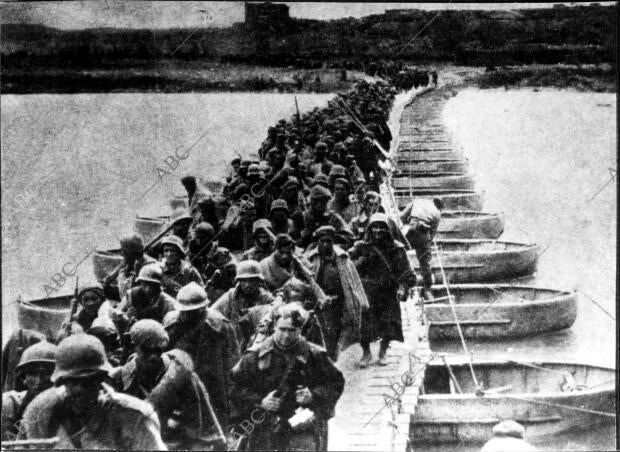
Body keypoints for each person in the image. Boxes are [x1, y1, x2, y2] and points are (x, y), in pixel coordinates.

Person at [230, 304, 345, 451]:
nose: (286, 335)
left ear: (300, 330)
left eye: (291, 330)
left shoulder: (313, 354)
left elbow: (336, 382)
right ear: (274, 328)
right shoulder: (255, 355)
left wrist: (313, 394)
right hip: (265, 426)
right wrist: (260, 401)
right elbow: (234, 387)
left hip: (302, 424)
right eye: (282, 329)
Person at [23, 334, 166, 450]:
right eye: (72, 381)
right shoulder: (42, 412)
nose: (79, 389)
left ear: (101, 378)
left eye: (87, 381)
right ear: (61, 381)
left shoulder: (134, 417)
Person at [110, 319, 220, 449]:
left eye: (158, 351)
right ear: (135, 348)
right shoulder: (127, 374)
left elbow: (195, 420)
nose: (153, 356)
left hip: (179, 439)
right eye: (146, 350)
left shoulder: (179, 374)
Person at [163, 282, 240, 429]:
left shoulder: (220, 326)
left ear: (203, 308)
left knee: (216, 418)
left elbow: (233, 360)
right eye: (183, 311)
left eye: (192, 311)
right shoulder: (171, 322)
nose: (187, 315)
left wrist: (232, 391)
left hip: (213, 381)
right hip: (180, 378)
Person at [349, 213, 416, 367]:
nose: (378, 231)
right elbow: (350, 267)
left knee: (388, 324)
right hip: (368, 291)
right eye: (375, 227)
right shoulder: (362, 247)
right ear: (370, 229)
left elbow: (406, 272)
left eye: (381, 227)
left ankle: (382, 353)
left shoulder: (397, 248)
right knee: (365, 324)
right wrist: (361, 259)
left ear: (388, 230)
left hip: (388, 291)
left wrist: (403, 286)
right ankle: (366, 353)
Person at [303, 226, 368, 361]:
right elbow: (306, 281)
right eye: (323, 241)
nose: (326, 244)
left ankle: (332, 359)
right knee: (319, 333)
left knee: (335, 332)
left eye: (329, 241)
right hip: (317, 302)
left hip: (338, 303)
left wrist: (360, 301)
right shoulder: (310, 258)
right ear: (318, 242)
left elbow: (353, 281)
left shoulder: (341, 258)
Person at [211, 260, 274, 352]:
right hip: (232, 343)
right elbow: (213, 313)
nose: (248, 285)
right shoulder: (231, 296)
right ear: (238, 281)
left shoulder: (267, 299)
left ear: (258, 281)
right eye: (244, 281)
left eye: (252, 281)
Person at [2, 341, 57, 441]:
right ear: (23, 379)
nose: (39, 380)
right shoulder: (11, 404)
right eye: (32, 373)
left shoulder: (69, 403)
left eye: (47, 373)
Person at [400, 197, 444, 301]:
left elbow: (402, 216)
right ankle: (428, 290)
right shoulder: (437, 213)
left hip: (410, 230)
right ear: (440, 207)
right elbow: (432, 233)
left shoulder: (417, 201)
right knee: (425, 264)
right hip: (423, 235)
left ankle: (402, 285)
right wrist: (426, 245)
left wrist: (409, 225)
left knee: (400, 254)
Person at [103, 234, 156, 301]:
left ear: (131, 253)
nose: (122, 253)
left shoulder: (149, 266)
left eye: (124, 251)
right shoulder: (128, 262)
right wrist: (107, 283)